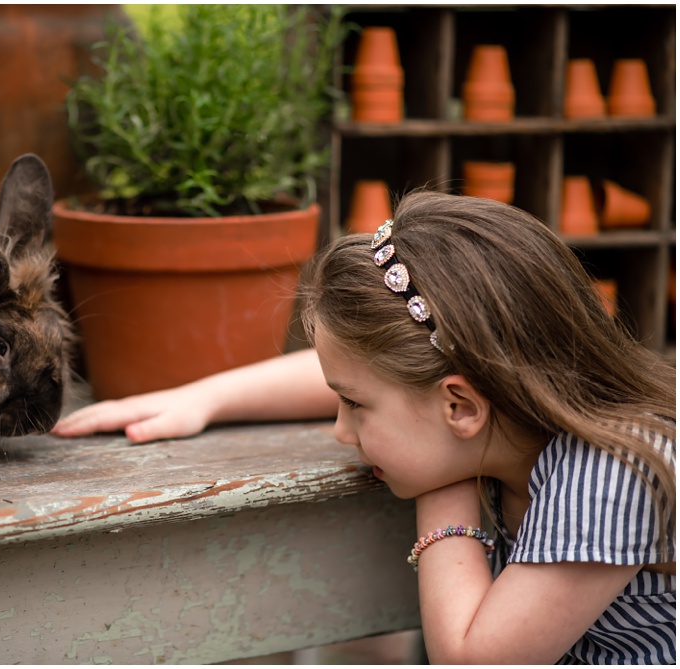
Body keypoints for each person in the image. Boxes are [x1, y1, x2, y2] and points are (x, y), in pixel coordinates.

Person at [52, 190, 676, 664]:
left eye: (354, 407)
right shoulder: (508, 417)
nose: (340, 431)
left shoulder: (613, 472)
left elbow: (473, 656)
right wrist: (204, 399)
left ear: (460, 406)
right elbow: (370, 372)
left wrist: (442, 488)